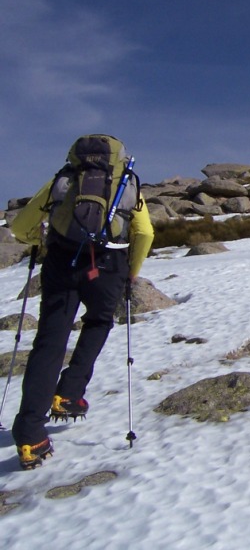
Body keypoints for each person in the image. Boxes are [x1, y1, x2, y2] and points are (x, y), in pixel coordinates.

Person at [7, 135, 154, 470]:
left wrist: (41, 242)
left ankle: (30, 434)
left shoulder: (63, 180)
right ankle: (69, 394)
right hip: (110, 265)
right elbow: (144, 233)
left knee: (50, 341)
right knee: (99, 322)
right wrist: (131, 272)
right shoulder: (125, 183)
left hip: (62, 262)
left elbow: (21, 226)